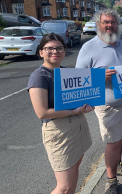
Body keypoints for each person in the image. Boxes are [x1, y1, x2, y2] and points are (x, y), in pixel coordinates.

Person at [76, 9, 122, 194]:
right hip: (107, 106)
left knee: (121, 138)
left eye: (113, 22)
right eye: (106, 22)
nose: (110, 25)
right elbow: (79, 78)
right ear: (98, 25)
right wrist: (100, 77)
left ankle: (118, 165)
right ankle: (111, 181)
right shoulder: (88, 47)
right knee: (113, 142)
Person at [28, 33, 94, 194]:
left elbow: (79, 98)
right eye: (49, 48)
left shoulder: (66, 72)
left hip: (78, 127)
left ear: (64, 51)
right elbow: (42, 113)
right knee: (63, 187)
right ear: (41, 52)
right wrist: (74, 111)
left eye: (59, 48)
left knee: (74, 175)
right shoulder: (39, 76)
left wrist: (86, 104)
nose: (55, 51)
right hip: (60, 132)